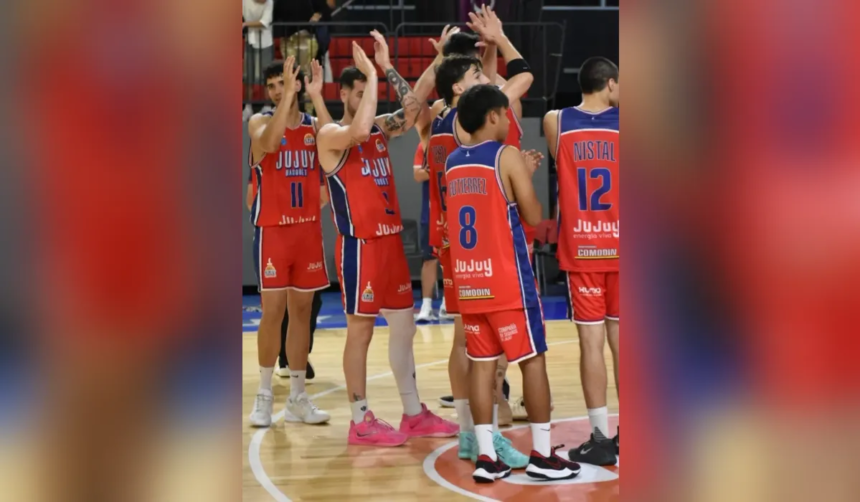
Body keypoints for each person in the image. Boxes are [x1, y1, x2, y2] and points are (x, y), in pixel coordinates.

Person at [318, 33, 458, 446]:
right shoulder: (330, 135)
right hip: (360, 246)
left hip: (390, 242)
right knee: (360, 332)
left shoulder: (381, 128)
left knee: (404, 327)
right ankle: (360, 419)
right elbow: (360, 128)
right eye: (359, 92)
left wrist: (429, 62)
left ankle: (413, 414)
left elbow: (413, 107)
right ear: (343, 93)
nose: (366, 98)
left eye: (368, 92)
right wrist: (373, 76)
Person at [447, 84, 580, 482]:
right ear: (492, 116)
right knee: (532, 360)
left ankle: (487, 457)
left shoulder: (453, 161)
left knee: (481, 366)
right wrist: (525, 174)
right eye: (505, 114)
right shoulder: (505, 155)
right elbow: (534, 215)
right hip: (507, 281)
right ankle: (542, 454)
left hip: (469, 281)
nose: (508, 120)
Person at [423, 7, 534, 462]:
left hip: (451, 238)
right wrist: (502, 38)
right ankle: (487, 426)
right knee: (489, 341)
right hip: (484, 239)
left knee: (463, 337)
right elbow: (523, 76)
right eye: (473, 74)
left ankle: (471, 430)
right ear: (459, 88)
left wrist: (467, 59)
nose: (482, 78)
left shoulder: (437, 119)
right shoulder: (468, 119)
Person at [247, 57, 334, 427]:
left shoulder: (314, 128)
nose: (275, 91)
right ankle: (265, 394)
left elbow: (338, 147)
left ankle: (298, 397)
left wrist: (317, 95)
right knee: (273, 313)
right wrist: (286, 100)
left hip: (307, 232)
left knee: (302, 313)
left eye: (282, 83)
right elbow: (269, 143)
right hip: (273, 232)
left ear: (297, 84)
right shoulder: (259, 121)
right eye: (271, 86)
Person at [543, 56, 620, 466]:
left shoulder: (556, 121)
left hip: (583, 250)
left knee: (591, 345)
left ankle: (600, 438)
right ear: (610, 84)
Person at [247, 164, 320, 380]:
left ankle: (294, 363)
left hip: (304, 233)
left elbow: (323, 194)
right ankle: (270, 378)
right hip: (274, 234)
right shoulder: (264, 148)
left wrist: (300, 213)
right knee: (275, 307)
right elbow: (250, 199)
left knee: (307, 305)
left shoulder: (311, 148)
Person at [413, 142, 439, 323]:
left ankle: (449, 304)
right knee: (429, 258)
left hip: (453, 208)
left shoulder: (459, 141)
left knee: (454, 260)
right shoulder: (425, 145)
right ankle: (427, 305)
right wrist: (439, 169)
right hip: (431, 211)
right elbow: (418, 174)